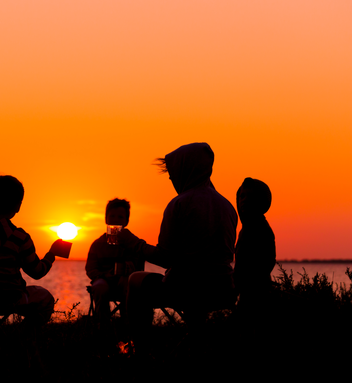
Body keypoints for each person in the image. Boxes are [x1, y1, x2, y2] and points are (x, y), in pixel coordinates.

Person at [116, 143, 239, 349]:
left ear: (186, 170)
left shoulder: (179, 204)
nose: (172, 180)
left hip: (187, 289)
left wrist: (134, 244)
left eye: (173, 175)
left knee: (136, 279)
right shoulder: (227, 206)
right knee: (193, 277)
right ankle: (197, 338)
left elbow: (165, 258)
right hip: (223, 289)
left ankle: (140, 347)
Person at [0, 175, 63, 327]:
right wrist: (52, 254)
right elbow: (37, 272)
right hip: (8, 299)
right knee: (45, 298)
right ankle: (23, 338)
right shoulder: (18, 236)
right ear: (18, 206)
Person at [85, 198, 145, 322]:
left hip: (124, 280)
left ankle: (128, 324)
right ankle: (103, 325)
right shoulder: (98, 244)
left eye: (120, 217)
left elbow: (139, 267)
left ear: (126, 221)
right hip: (103, 279)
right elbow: (90, 269)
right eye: (112, 216)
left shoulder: (132, 242)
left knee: (127, 285)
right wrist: (104, 275)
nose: (115, 220)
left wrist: (130, 265)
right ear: (106, 218)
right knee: (100, 288)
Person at [232, 177, 276, 317]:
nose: (244, 200)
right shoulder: (246, 229)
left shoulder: (261, 229)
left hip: (257, 294)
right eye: (242, 196)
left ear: (261, 201)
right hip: (246, 293)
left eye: (251, 196)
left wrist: (247, 280)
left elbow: (268, 260)